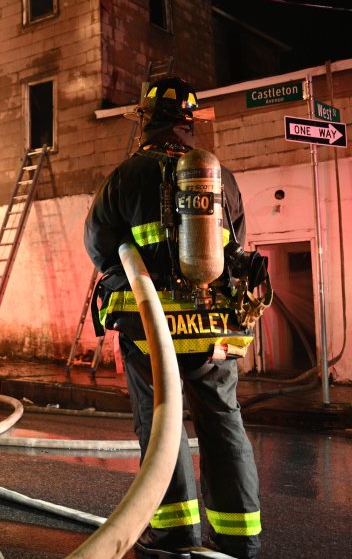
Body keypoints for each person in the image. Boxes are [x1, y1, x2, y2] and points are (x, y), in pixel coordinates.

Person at [84, 77, 263, 559]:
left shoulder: (126, 177)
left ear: (145, 120)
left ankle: (173, 534)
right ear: (189, 125)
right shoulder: (221, 178)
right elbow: (238, 245)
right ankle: (238, 537)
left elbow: (100, 249)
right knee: (224, 421)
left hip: (153, 331)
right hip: (214, 331)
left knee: (162, 424)